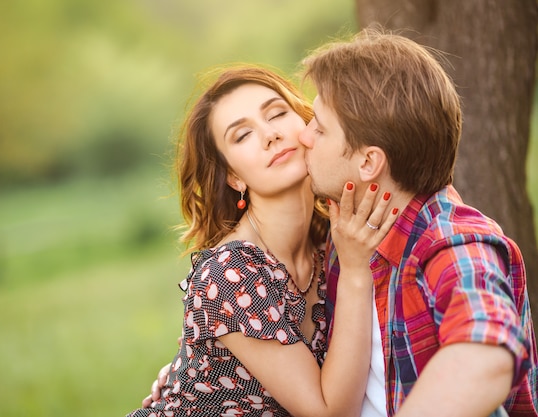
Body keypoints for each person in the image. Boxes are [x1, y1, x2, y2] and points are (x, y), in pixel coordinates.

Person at [125, 65, 399, 417]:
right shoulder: (229, 273)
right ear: (234, 176)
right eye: (242, 135)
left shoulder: (332, 242)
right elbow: (331, 414)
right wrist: (356, 271)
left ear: (309, 124)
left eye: (277, 113)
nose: (270, 134)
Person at [298, 27, 538, 417]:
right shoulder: (347, 228)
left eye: (319, 128)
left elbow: (486, 353)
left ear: (368, 163)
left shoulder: (453, 243)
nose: (303, 136)